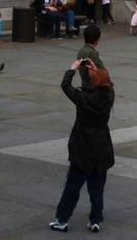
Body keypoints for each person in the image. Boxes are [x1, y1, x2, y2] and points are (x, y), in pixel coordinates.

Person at [47, 57, 115, 233]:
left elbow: (65, 86)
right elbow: (110, 85)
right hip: (102, 145)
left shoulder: (83, 97)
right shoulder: (108, 97)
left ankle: (62, 220)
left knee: (73, 186)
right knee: (97, 186)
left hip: (83, 146)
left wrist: (73, 69)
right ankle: (95, 220)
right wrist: (98, 69)